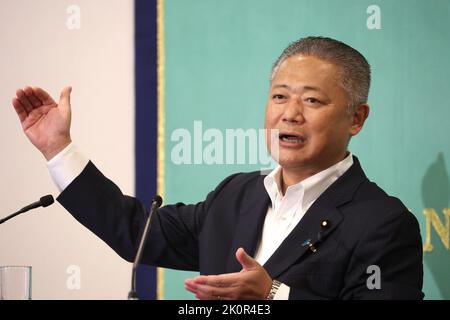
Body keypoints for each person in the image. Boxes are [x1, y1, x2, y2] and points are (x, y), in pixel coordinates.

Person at [11, 36, 424, 300]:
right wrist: (58, 148)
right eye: (280, 97)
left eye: (312, 101)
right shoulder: (235, 196)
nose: (290, 114)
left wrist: (274, 295)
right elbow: (135, 231)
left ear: (356, 118)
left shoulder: (383, 223)